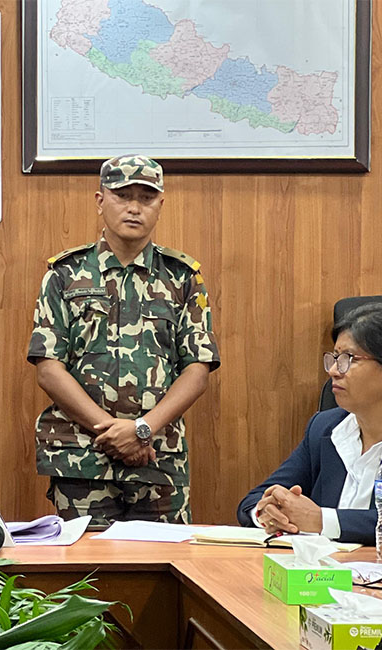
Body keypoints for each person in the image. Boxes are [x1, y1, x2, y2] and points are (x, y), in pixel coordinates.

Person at [27, 155, 220, 525]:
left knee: (165, 560)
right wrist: (113, 433)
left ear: (160, 205)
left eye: (146, 198)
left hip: (158, 458)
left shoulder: (182, 278)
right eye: (122, 196)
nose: (134, 208)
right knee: (86, 561)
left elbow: (197, 371)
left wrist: (142, 431)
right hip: (83, 458)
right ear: (100, 201)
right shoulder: (65, 274)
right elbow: (49, 369)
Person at [237, 304, 382, 544]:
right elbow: (255, 499)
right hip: (322, 566)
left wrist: (321, 520)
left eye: (349, 359)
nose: (334, 371)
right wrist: (269, 512)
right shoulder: (326, 428)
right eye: (335, 358)